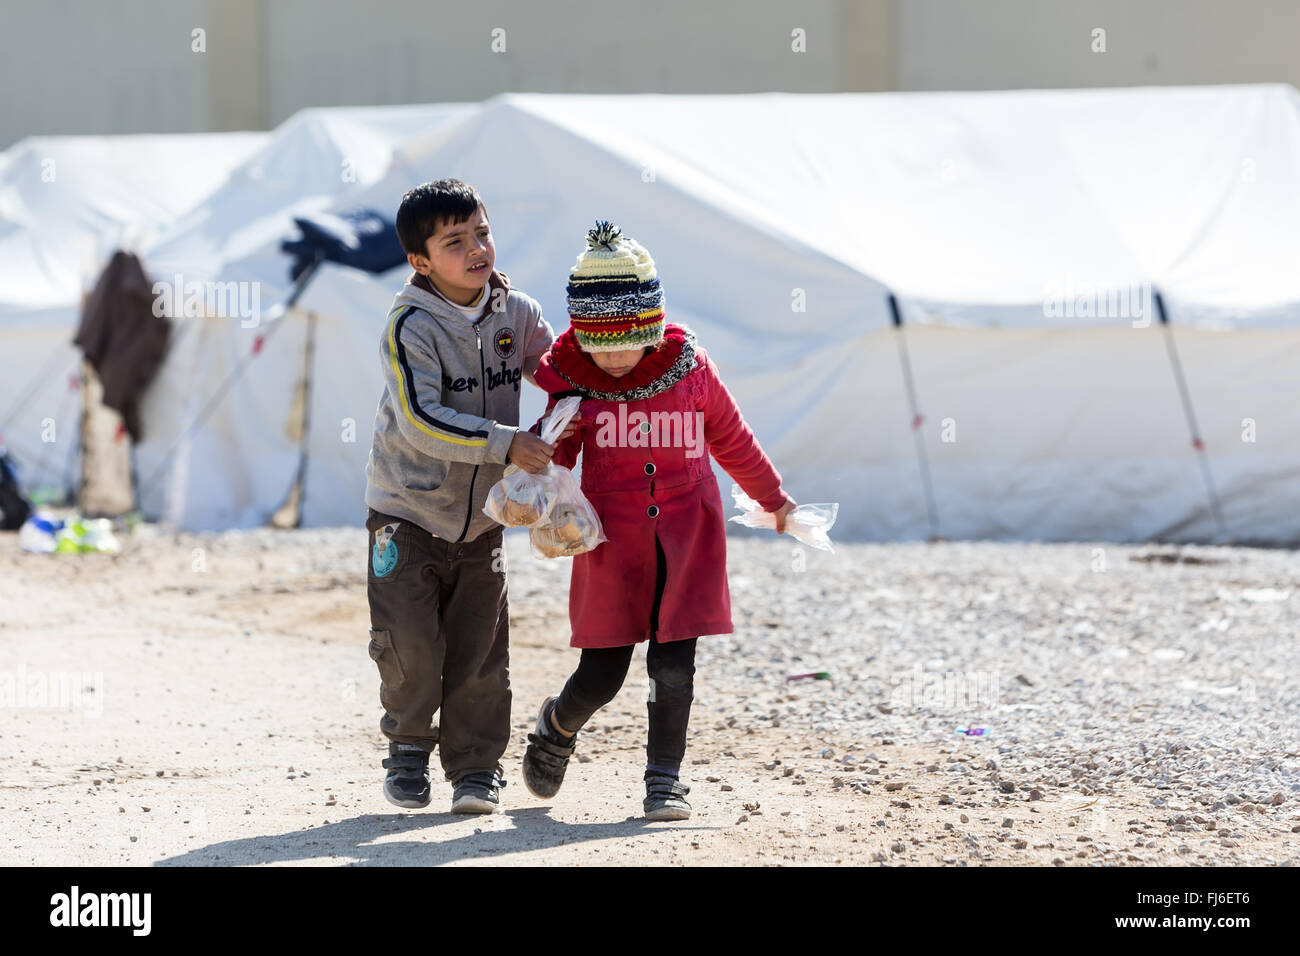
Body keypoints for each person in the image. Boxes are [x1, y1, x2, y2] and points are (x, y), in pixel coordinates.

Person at [521, 221, 797, 820]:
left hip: (687, 537)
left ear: (650, 326)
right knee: (603, 672)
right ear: (581, 336)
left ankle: (663, 780)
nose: (614, 357)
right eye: (601, 344)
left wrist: (772, 497)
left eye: (627, 341)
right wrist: (538, 486)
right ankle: (556, 724)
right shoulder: (577, 382)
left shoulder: (690, 370)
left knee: (674, 665)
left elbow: (732, 438)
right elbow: (556, 454)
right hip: (612, 543)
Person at [363, 179, 574, 813]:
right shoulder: (409, 327)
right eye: (454, 241)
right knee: (411, 643)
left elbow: (562, 377)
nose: (476, 248)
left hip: (484, 522)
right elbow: (420, 420)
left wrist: (603, 378)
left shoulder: (518, 313)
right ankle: (406, 749)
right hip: (405, 512)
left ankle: (477, 770)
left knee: (482, 648)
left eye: (481, 231)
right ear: (420, 262)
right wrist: (506, 443)